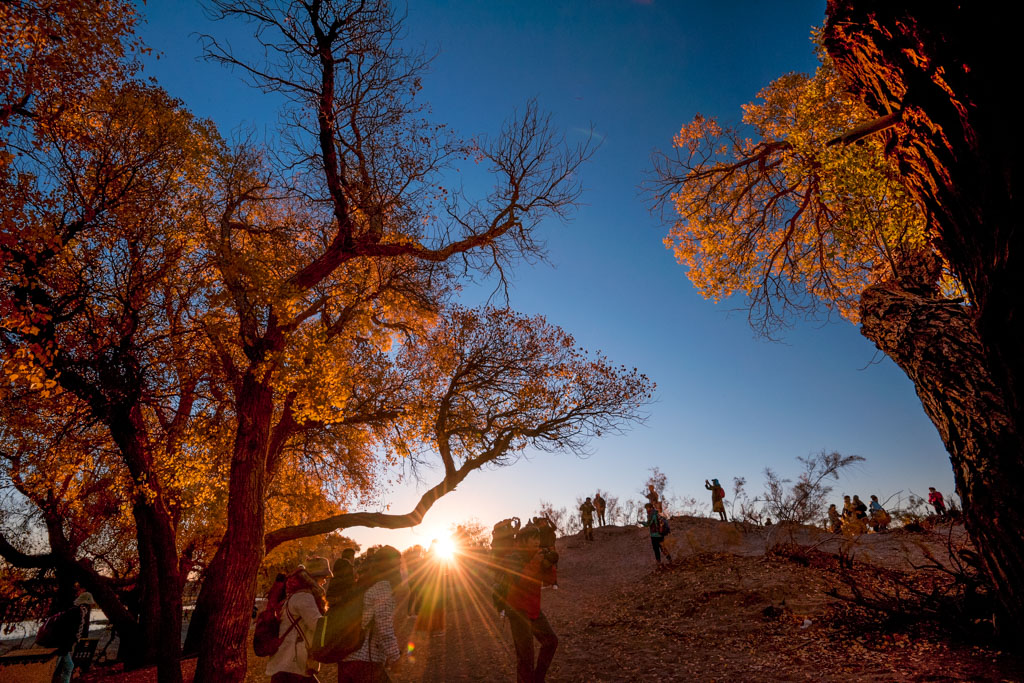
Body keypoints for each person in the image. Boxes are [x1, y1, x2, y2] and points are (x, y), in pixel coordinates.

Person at [339, 546, 402, 683]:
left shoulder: (362, 585)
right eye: (398, 564)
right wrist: (395, 657)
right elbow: (384, 627)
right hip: (366, 661)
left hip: (346, 659)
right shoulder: (382, 588)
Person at [505, 524, 559, 683]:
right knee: (526, 657)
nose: (537, 541)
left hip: (534, 609)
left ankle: (538, 679)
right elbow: (519, 580)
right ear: (522, 541)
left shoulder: (539, 555)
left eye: (538, 538)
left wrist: (548, 565)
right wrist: (536, 562)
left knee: (551, 642)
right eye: (532, 538)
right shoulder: (513, 558)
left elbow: (549, 581)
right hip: (517, 611)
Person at [267, 565, 327, 683]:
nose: (324, 581)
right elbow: (316, 625)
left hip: (283, 661)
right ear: (309, 581)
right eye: (322, 578)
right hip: (293, 662)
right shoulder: (303, 597)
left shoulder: (290, 599)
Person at [50, 591, 93, 683]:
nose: (90, 607)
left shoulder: (76, 612)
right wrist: (72, 641)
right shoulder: (76, 612)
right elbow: (70, 630)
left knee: (68, 666)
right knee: (55, 667)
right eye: (88, 604)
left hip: (63, 644)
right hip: (62, 645)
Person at [414, 540, 446, 634]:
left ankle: (426, 628)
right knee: (436, 606)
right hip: (433, 584)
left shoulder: (427, 556)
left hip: (427, 584)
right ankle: (436, 629)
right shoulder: (436, 557)